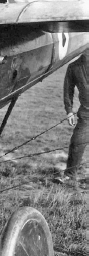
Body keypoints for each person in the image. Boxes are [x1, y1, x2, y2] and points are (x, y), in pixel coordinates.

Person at [56, 48, 89, 183]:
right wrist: (69, 110)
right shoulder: (74, 67)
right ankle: (70, 176)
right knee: (77, 143)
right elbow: (68, 89)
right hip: (86, 114)